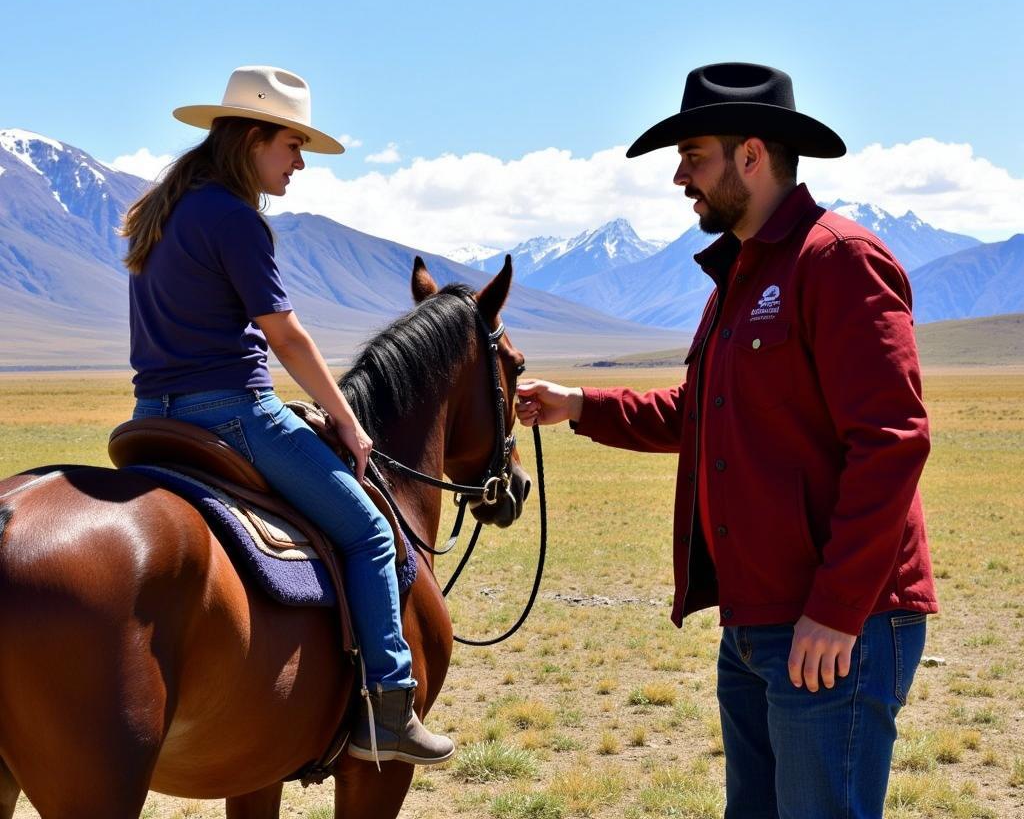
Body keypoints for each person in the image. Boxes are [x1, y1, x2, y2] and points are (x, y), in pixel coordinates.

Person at [516, 62, 937, 818]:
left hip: (836, 624)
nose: (681, 178)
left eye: (694, 155)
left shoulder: (837, 260)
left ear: (752, 154)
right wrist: (578, 405)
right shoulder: (740, 274)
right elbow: (699, 413)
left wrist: (839, 608)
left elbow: (892, 441)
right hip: (758, 621)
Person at [122, 64, 454, 766]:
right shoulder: (236, 219)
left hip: (154, 413)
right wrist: (348, 421)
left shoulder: (168, 209)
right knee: (368, 531)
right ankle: (389, 708)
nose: (300, 162)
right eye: (291, 144)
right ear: (251, 140)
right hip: (233, 414)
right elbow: (285, 333)